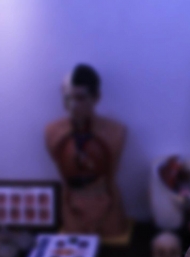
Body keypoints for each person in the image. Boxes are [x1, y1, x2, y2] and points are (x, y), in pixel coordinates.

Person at [45, 64, 131, 244]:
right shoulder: (52, 133)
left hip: (107, 205)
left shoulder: (116, 132)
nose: (73, 106)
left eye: (80, 98)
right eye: (68, 98)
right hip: (71, 208)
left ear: (96, 97)